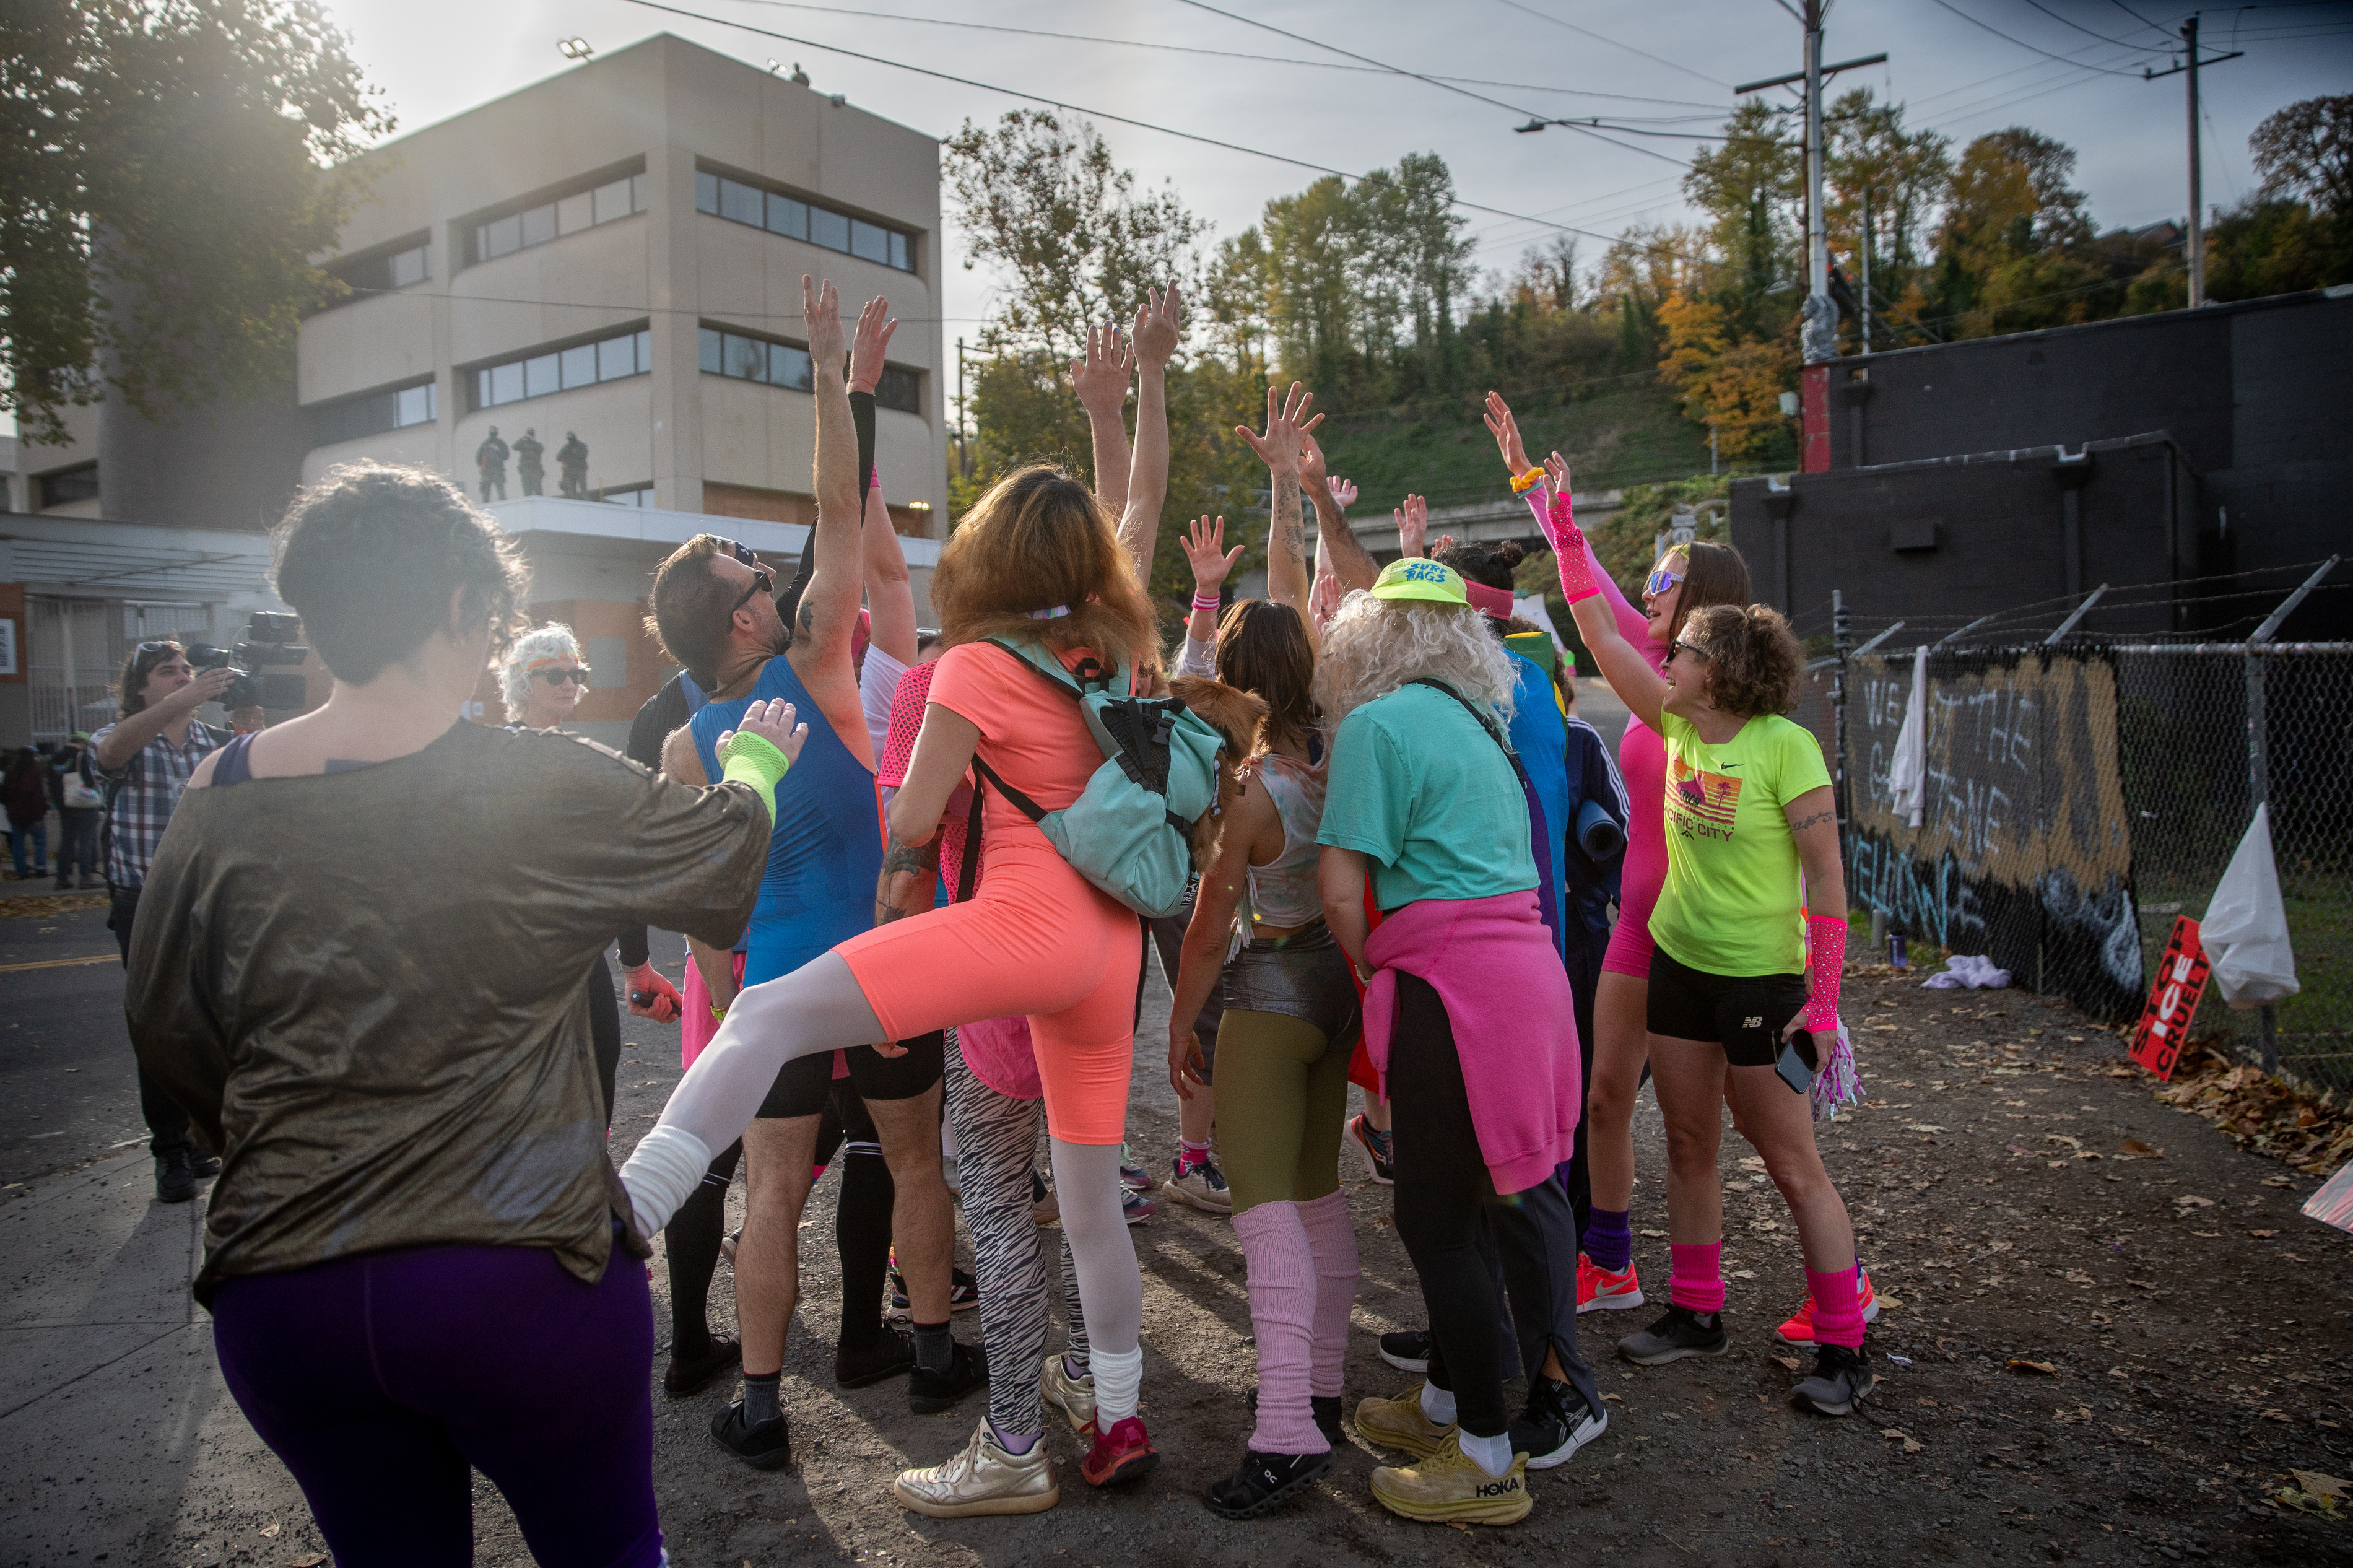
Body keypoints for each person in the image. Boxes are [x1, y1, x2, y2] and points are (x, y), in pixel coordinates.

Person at [124, 459, 798, 1566]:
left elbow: (168, 1029)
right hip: (515, 1270)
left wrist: (269, 1142)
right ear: (456, 606)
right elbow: (720, 861)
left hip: (284, 1290)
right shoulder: (530, 776)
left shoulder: (217, 795)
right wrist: (760, 763)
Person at [620, 378, 1210, 1500]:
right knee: (1089, 1209)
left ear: (989, 562)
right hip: (1110, 950)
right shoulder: (1121, 656)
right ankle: (1121, 1422)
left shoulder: (975, 665)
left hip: (1018, 930)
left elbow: (912, 819)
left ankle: (637, 1202)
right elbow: (1132, 531)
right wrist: (1126, 403)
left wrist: (894, 913)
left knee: (765, 1008)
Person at [651, 283, 973, 1464]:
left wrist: (734, 1004)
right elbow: (840, 504)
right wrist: (839, 375)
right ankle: (933, 1356)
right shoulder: (816, 660)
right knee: (917, 1158)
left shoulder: (688, 742)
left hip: (780, 976)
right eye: (750, 576)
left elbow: (698, 901)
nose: (768, 579)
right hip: (883, 964)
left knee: (773, 1191)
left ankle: (763, 1405)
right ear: (743, 625)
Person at [1544, 486, 1875, 1416]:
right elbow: (1597, 630)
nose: (1666, 653)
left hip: (1762, 983)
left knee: (1791, 1164)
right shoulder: (1677, 725)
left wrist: (1824, 999)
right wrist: (1561, 525)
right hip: (1679, 967)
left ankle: (1845, 1344)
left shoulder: (1786, 750)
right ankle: (1697, 1311)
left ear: (1719, 666)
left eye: (1684, 650)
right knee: (1688, 1142)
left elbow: (1826, 883)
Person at [1316, 557, 1598, 1528]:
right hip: (1525, 980)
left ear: (1370, 638)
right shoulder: (1486, 723)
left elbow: (1344, 890)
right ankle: (1443, 1404)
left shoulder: (1374, 725)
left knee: (1438, 1223)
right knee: (1477, 1213)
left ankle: (1484, 1456)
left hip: (1448, 989)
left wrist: (1373, 968)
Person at [1159, 387, 1382, 1519]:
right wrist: (1292, 497)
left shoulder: (1250, 793)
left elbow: (1206, 930)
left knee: (1261, 1209)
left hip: (1269, 988)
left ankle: (1287, 1430)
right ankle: (1327, 1391)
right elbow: (1294, 614)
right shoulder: (1343, 756)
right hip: (1339, 990)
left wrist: (1177, 1022)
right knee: (1317, 1193)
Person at [90, 640, 237, 1201]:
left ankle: (203, 1137)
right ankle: (170, 1150)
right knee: (158, 1024)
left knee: (212, 1021)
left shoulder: (215, 744)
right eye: (166, 672)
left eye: (187, 671)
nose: (180, 677)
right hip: (144, 901)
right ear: (141, 688)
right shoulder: (126, 738)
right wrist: (182, 702)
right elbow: (108, 755)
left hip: (207, 897)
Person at [50, 733, 107, 889]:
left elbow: (52, 783)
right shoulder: (82, 756)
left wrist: (60, 804)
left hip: (64, 806)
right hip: (83, 805)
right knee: (86, 841)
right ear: (83, 743)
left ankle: (62, 879)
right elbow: (90, 780)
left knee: (66, 841)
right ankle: (85, 878)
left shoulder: (56, 758)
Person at [5, 746, 50, 881]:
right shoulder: (33, 772)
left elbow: (6, 793)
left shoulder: (10, 772)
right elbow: (37, 796)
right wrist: (39, 816)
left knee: (18, 844)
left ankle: (21, 871)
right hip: (32, 812)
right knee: (40, 841)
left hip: (15, 814)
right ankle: (41, 869)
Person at [474, 427, 508, 502]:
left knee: (501, 492)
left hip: (498, 471)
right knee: (486, 494)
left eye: (494, 431)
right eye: (491, 431)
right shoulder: (485, 444)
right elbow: (478, 458)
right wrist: (482, 467)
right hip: (487, 472)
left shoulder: (501, 444)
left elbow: (506, 456)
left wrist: (498, 449)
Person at [515, 428, 546, 497]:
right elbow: (514, 447)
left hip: (535, 469)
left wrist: (532, 441)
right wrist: (522, 439)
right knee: (527, 490)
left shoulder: (537, 444)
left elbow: (541, 449)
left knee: (537, 489)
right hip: (525, 470)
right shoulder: (523, 444)